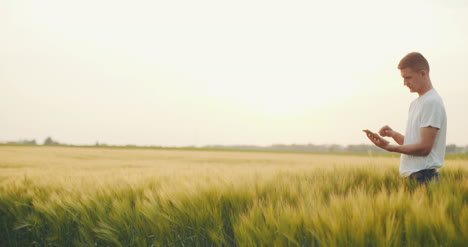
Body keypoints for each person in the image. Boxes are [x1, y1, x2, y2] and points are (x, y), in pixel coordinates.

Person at [365, 52, 447, 185]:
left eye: (408, 77)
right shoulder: (416, 104)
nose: (404, 83)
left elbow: (424, 148)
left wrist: (390, 147)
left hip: (424, 179)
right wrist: (393, 135)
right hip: (415, 178)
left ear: (423, 73)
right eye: (403, 78)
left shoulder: (432, 102)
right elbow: (414, 143)